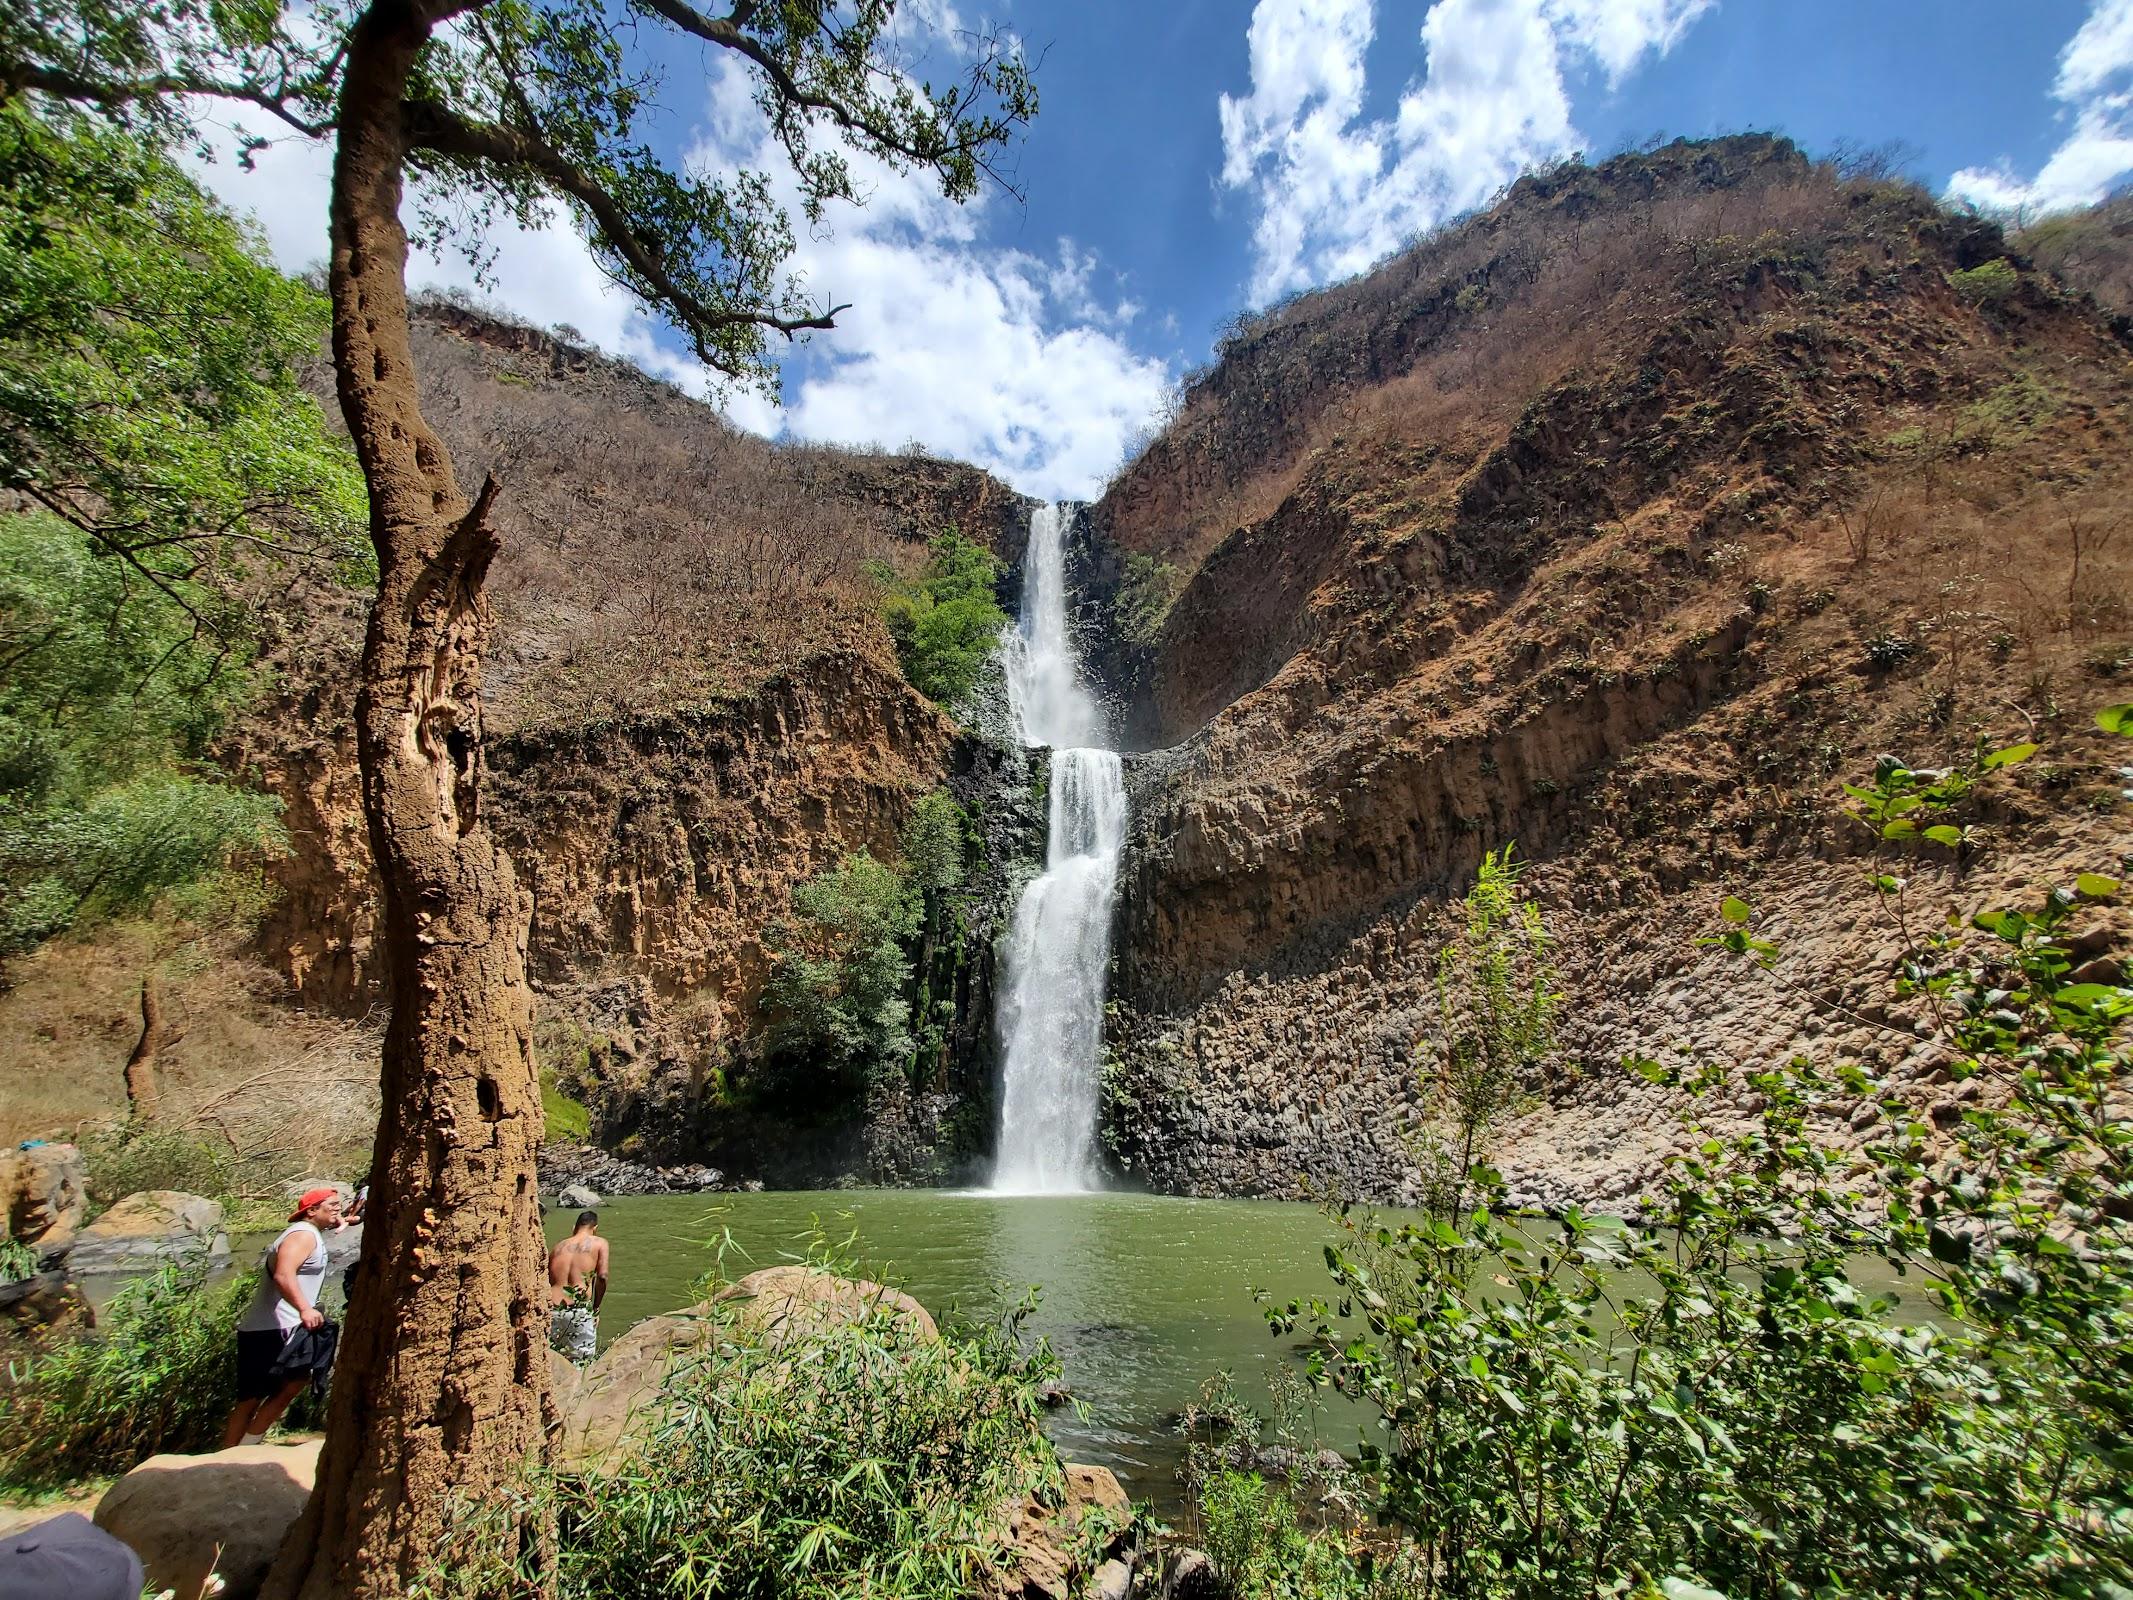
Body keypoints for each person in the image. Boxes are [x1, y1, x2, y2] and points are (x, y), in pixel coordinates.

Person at [224, 1187, 341, 1448]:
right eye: (332, 1204)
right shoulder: (301, 1236)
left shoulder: (310, 1232)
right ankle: (228, 1456)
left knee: (294, 1383)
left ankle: (247, 1446)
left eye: (339, 1204)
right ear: (311, 1210)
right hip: (270, 1328)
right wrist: (305, 1309)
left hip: (287, 1327)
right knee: (251, 1398)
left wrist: (344, 1220)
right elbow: (283, 1274)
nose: (338, 1208)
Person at [547, 1210, 609, 1363]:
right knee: (581, 1362)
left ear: (574, 1227)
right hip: (578, 1309)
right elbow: (602, 1276)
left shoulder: (558, 1247)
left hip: (552, 1310)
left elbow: (545, 1278)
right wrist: (596, 1308)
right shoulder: (599, 1243)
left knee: (554, 1360)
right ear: (595, 1228)